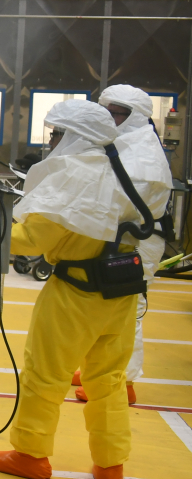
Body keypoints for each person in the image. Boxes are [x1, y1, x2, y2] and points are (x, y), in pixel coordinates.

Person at [0, 99, 149, 479]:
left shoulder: (74, 173)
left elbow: (34, 238)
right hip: (121, 287)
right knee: (107, 379)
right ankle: (111, 464)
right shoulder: (122, 169)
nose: (51, 141)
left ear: (76, 135)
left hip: (76, 292)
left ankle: (30, 454)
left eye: (57, 133)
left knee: (46, 373)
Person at [71, 85, 172, 405]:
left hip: (141, 238)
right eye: (106, 110)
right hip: (121, 234)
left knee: (129, 309)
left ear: (134, 116)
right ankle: (94, 368)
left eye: (116, 112)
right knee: (100, 301)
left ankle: (123, 382)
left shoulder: (142, 151)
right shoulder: (122, 143)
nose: (109, 117)